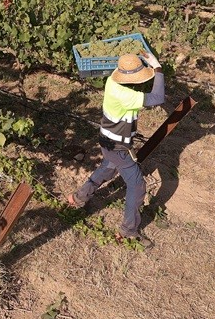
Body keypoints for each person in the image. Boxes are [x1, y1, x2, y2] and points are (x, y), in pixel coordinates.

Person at [67, 51, 165, 248]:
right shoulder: (126, 95)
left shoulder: (112, 80)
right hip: (118, 147)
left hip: (107, 141)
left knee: (108, 168)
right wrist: (157, 68)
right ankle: (129, 231)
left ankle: (78, 198)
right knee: (137, 185)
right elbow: (157, 97)